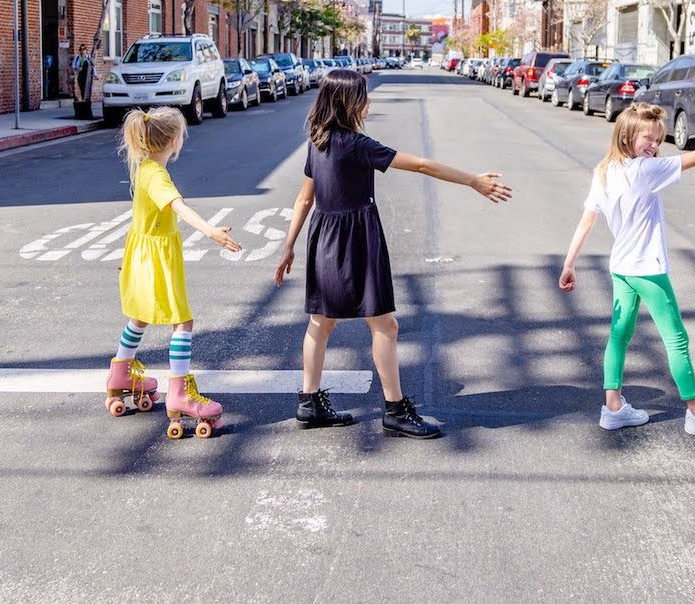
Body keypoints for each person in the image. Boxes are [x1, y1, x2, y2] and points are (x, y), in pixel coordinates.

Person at [274, 68, 511, 439]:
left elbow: (305, 198)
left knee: (320, 323)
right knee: (385, 325)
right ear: (348, 102)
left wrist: (289, 246)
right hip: (356, 238)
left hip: (322, 237)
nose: (369, 102)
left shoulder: (316, 142)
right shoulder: (356, 144)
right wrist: (472, 180)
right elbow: (420, 164)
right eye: (364, 96)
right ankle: (395, 410)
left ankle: (309, 402)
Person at [558, 102, 695, 437]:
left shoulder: (604, 170)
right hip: (647, 269)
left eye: (658, 139)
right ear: (625, 135)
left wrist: (569, 262)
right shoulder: (644, 171)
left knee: (619, 336)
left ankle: (613, 407)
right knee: (676, 339)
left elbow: (587, 220)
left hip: (621, 267)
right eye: (647, 138)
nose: (654, 145)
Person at [105, 108, 243, 435]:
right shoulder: (157, 176)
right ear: (172, 141)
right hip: (157, 257)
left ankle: (120, 372)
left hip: (142, 251)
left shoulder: (145, 169)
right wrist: (210, 231)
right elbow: (177, 207)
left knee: (140, 314)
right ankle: (178, 393)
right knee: (183, 320)